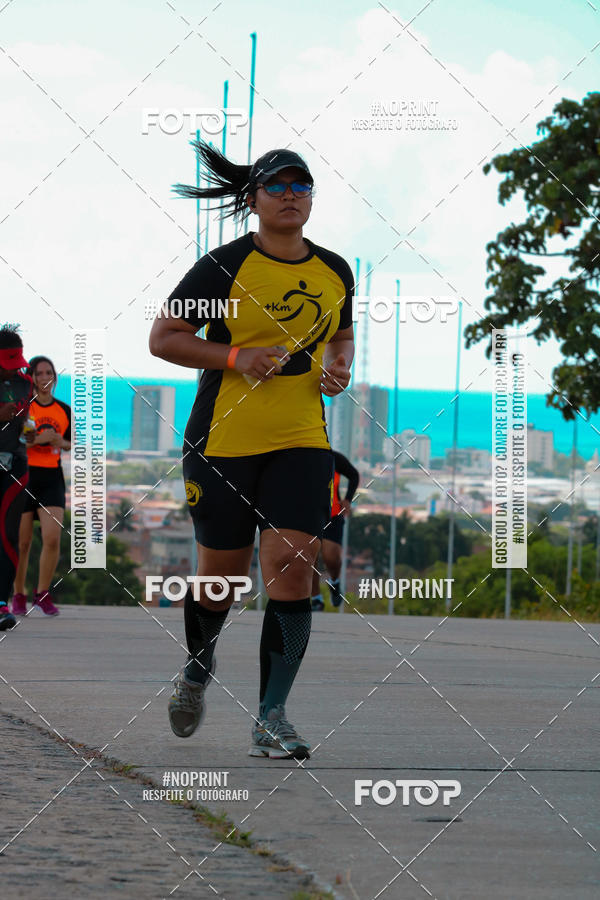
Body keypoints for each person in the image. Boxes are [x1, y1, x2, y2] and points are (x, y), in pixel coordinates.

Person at [150, 140, 354, 759]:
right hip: (223, 441)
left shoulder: (336, 270)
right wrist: (237, 357)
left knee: (292, 567)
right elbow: (164, 337)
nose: (291, 195)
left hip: (302, 440)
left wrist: (340, 367)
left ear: (312, 198)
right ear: (255, 198)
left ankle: (272, 716)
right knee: (221, 583)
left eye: (302, 186)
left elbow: (341, 336)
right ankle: (196, 670)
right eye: (278, 186)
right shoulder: (223, 267)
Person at [11, 356, 71, 616]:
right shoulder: (25, 408)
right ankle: (18, 594)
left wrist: (58, 440)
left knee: (52, 538)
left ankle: (43, 594)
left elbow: (70, 443)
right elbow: (19, 441)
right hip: (25, 476)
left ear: (54, 376)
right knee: (22, 543)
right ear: (31, 377)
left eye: (49, 372)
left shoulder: (64, 410)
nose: (44, 378)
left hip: (51, 479)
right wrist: (38, 440)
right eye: (39, 373)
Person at [0, 326, 33, 631]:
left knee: (9, 535)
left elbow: (28, 424)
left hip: (16, 468)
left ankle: (1, 602)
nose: (12, 371)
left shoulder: (26, 385)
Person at [311, 450, 359, 610]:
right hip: (308, 515)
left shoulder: (333, 457)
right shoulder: (299, 456)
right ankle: (316, 598)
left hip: (332, 514)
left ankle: (335, 583)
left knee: (331, 556)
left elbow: (354, 475)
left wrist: (348, 499)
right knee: (309, 558)